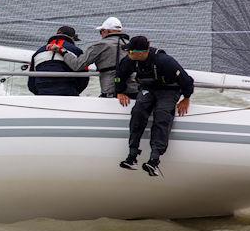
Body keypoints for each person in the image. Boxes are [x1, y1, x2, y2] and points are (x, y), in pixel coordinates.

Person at [115, 36, 194, 176]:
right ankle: (132, 155)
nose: (128, 54)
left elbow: (186, 81)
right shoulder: (130, 60)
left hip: (169, 90)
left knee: (162, 115)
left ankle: (154, 160)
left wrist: (186, 98)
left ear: (140, 52)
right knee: (138, 111)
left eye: (130, 51)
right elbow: (119, 75)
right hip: (148, 89)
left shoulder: (165, 61)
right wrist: (120, 91)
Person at [60, 16, 138, 98]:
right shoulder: (131, 45)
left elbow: (77, 65)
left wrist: (63, 52)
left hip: (111, 92)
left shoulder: (100, 45)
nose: (101, 35)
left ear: (106, 31)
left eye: (101, 32)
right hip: (134, 91)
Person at [27, 25, 88, 96]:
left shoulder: (38, 52)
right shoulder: (77, 51)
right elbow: (84, 77)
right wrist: (75, 91)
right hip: (67, 90)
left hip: (42, 91)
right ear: (72, 38)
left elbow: (31, 81)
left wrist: (40, 92)